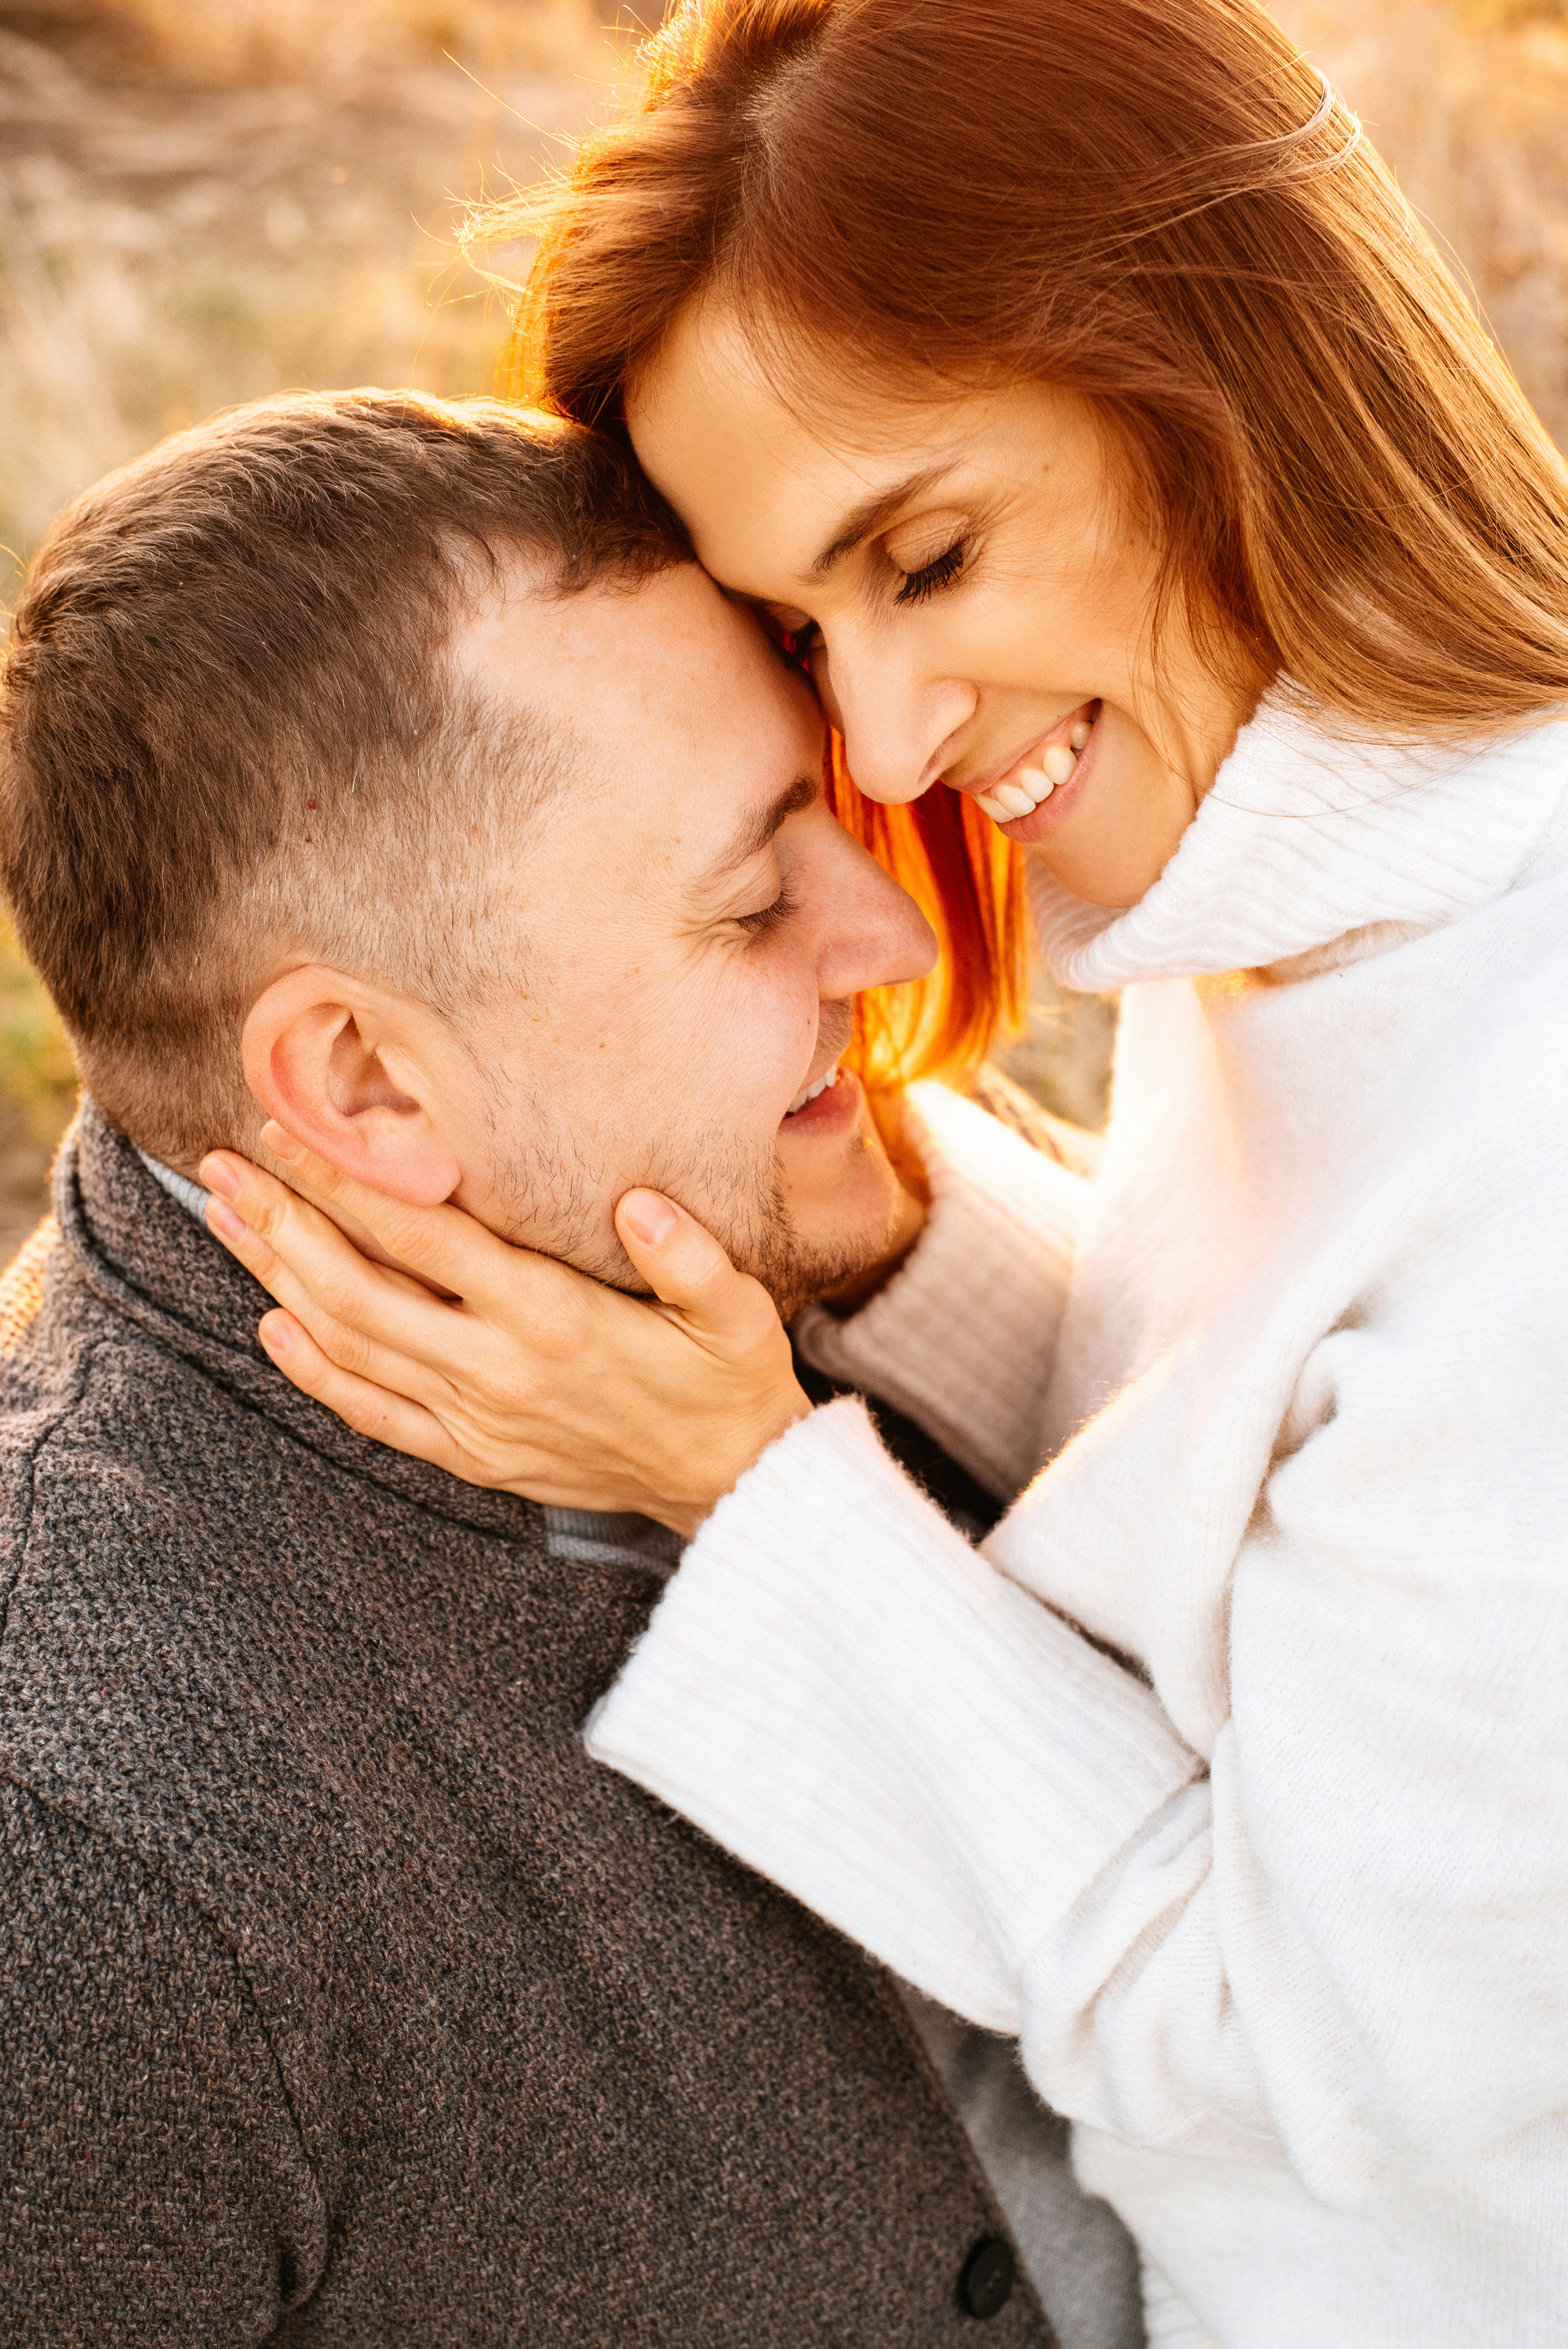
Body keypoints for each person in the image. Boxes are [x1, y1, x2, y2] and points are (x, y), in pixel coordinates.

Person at [189, 3, 1568, 2345]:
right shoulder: (1312, 899)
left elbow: (1310, 2045)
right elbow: (1265, 1486)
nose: (891, 736)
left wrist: (752, 1493)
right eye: (809, 625)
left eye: (923, 556)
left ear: (1205, 359)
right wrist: (901, 1239)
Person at [0, 387, 1147, 2345]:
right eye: (755, 899)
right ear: (364, 1083)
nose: (893, 933)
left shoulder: (749, 1184)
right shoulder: (95, 1865)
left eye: (825, 815)